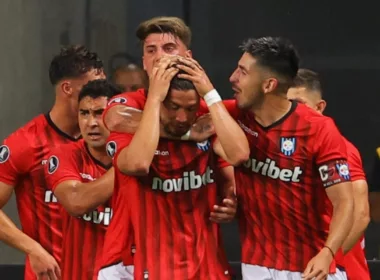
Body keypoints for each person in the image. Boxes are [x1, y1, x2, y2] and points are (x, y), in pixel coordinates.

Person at [177, 36, 354, 280]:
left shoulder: (318, 129)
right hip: (257, 267)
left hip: (312, 267)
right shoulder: (233, 115)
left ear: (268, 85)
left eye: (242, 72)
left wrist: (328, 252)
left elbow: (345, 203)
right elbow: (167, 120)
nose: (232, 78)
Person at [99, 16, 230, 279]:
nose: (160, 57)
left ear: (188, 56)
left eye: (169, 48)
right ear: (144, 61)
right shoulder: (128, 103)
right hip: (130, 259)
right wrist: (187, 131)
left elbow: (234, 154)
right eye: (151, 50)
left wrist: (232, 198)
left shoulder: (207, 107)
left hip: (201, 260)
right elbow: (118, 127)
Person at [0, 45, 105, 280]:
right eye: (93, 85)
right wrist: (33, 249)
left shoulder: (111, 142)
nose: (101, 91)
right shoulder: (26, 142)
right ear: (67, 88)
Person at [287, 68, 370, 280]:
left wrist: (328, 257)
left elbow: (360, 216)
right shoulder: (291, 150)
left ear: (319, 107)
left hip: (341, 273)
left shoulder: (339, 148)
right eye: (289, 105)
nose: (295, 112)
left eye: (300, 103)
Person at [44, 80, 122, 280]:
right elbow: (76, 202)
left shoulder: (142, 157)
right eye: (84, 113)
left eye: (99, 113)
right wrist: (128, 165)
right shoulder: (65, 155)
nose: (91, 123)